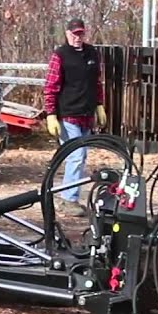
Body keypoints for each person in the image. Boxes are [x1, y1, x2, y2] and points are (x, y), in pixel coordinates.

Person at [43, 18, 107, 218]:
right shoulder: (60, 55)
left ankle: (70, 196)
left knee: (81, 156)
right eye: (74, 34)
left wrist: (99, 105)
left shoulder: (92, 54)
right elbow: (50, 87)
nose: (77, 37)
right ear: (67, 33)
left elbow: (96, 83)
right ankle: (68, 199)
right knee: (76, 156)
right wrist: (51, 114)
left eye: (80, 34)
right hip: (67, 114)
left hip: (86, 114)